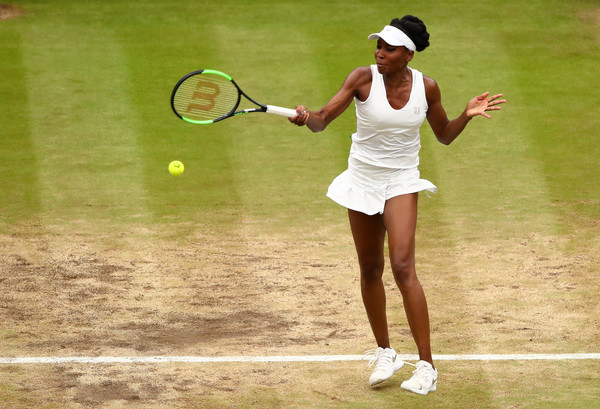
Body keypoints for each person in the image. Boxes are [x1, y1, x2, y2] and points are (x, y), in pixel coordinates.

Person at [289, 15, 505, 395]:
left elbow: (443, 135)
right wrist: (306, 117)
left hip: (402, 180)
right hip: (362, 180)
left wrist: (466, 117)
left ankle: (426, 366)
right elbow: (323, 121)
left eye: (390, 48)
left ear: (408, 54)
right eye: (379, 46)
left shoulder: (428, 88)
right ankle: (386, 351)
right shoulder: (362, 78)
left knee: (403, 266)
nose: (380, 53)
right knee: (370, 268)